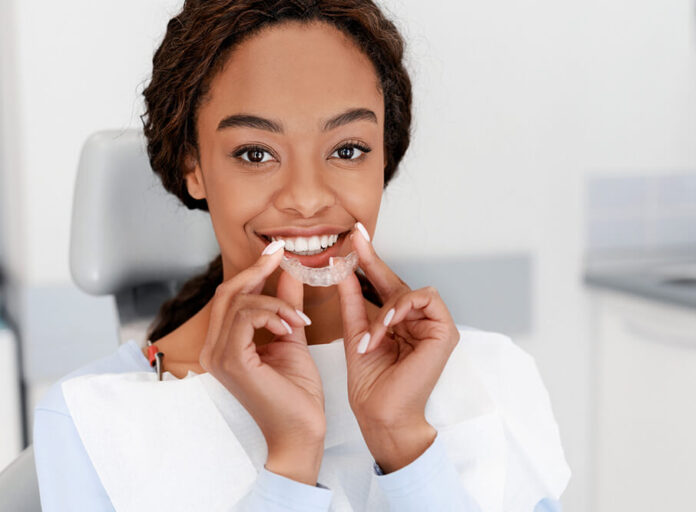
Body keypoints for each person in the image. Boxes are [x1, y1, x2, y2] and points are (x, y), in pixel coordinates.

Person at [33, 0, 570, 510]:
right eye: (255, 153)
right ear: (193, 166)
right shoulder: (94, 423)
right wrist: (290, 458)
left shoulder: (492, 378)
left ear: (384, 157)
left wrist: (403, 440)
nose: (308, 198)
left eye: (347, 150)